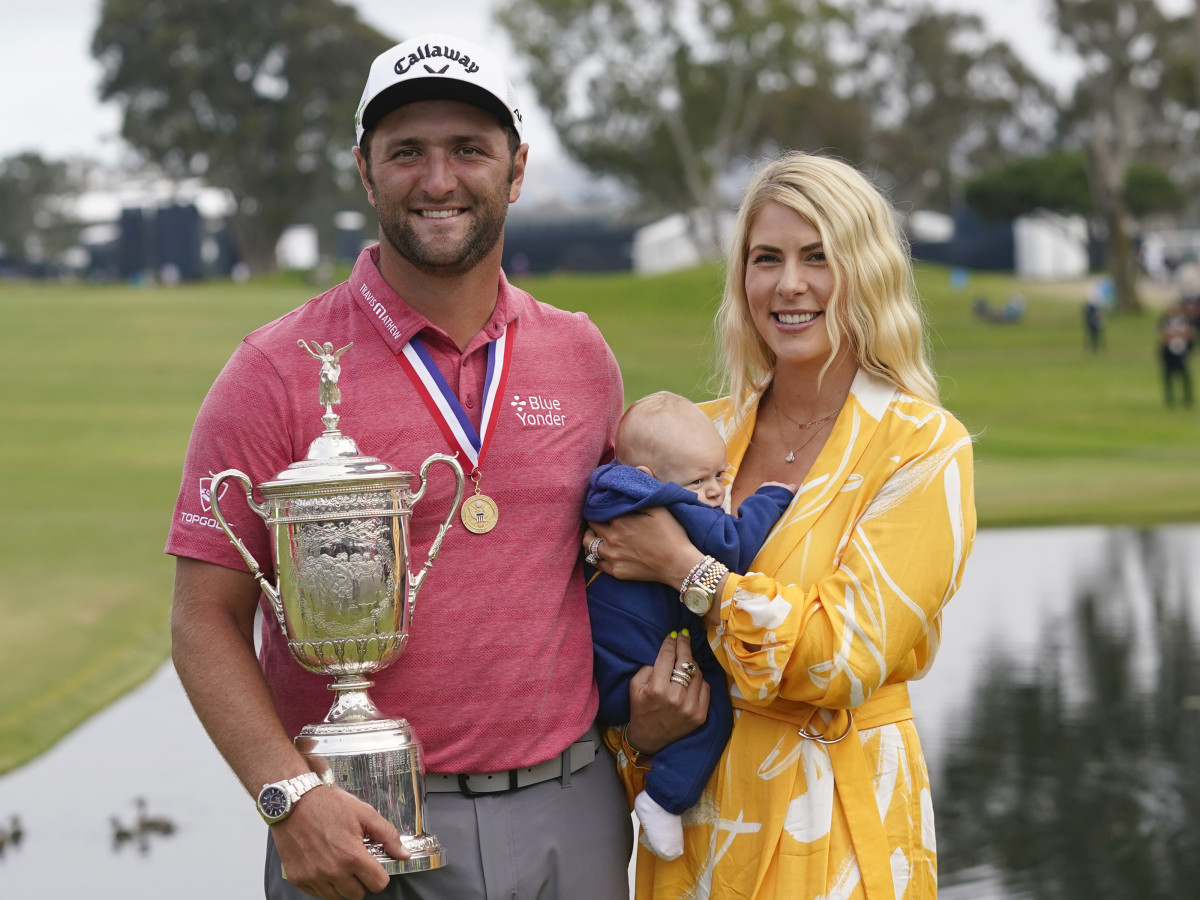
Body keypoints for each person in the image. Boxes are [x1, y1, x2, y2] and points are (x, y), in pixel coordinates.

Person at [166, 32, 651, 900]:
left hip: (572, 812)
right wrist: (287, 794)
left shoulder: (581, 356)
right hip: (360, 830)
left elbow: (620, 562)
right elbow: (203, 618)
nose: (438, 181)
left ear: (517, 167)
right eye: (407, 153)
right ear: (364, 169)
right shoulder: (276, 369)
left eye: (469, 149)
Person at [584, 152, 977, 900]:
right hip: (694, 821)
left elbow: (838, 660)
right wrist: (642, 728)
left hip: (833, 827)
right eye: (767, 258)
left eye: (818, 257)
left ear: (866, 271)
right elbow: (609, 599)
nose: (789, 284)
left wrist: (684, 569)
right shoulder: (698, 436)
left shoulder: (922, 448)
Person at [583, 391, 795, 861]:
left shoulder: (606, 496)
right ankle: (664, 799)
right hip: (646, 672)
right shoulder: (669, 504)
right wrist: (772, 498)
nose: (717, 490)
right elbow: (731, 547)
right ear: (648, 478)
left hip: (604, 668)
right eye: (700, 479)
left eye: (721, 474)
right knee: (713, 704)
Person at [1158, 303, 1194, 408]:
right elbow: (1163, 335)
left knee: (1185, 376)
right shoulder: (1165, 321)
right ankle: (1170, 399)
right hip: (1169, 353)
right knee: (1168, 376)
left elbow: (1189, 334)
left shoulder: (1184, 320)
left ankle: (1187, 398)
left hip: (1181, 352)